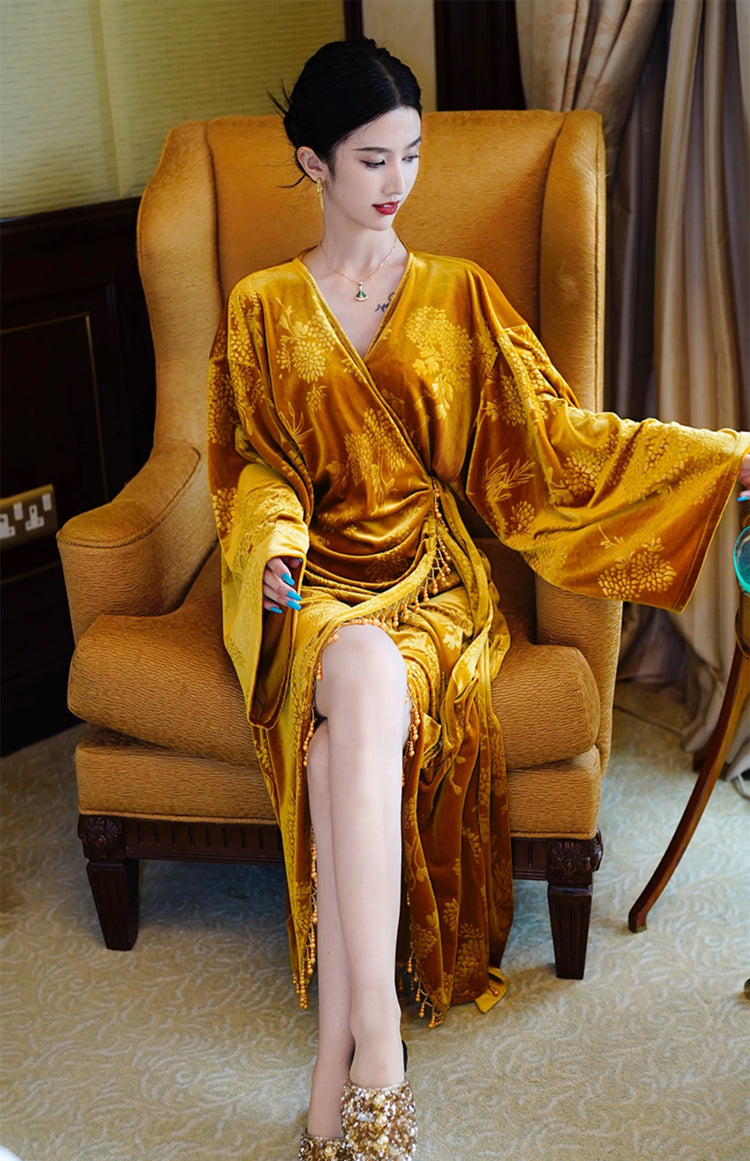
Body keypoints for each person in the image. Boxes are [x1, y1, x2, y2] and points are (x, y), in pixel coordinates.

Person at [207, 38, 750, 1161]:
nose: (397, 180)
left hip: (431, 583)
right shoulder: (260, 306)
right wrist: (270, 546)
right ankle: (374, 1055)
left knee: (348, 717)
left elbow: (556, 440)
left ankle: (346, 1064)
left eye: (410, 154)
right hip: (314, 586)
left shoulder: (459, 294)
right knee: (349, 691)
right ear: (313, 163)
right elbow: (251, 463)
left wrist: (724, 455)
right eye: (371, 158)